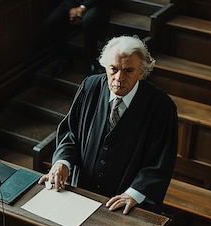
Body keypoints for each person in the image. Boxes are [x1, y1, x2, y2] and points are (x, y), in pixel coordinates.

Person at [39, 35, 178, 215]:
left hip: (125, 203)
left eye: (128, 71)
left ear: (141, 72)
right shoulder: (90, 87)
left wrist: (134, 194)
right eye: (113, 69)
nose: (118, 78)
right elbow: (71, 133)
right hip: (81, 191)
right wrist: (62, 162)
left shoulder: (161, 107)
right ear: (105, 66)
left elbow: (161, 161)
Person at [45, 0, 115, 76]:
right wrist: (72, 8)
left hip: (95, 3)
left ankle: (93, 61)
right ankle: (65, 59)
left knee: (88, 21)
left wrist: (82, 8)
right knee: (52, 22)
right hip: (73, 2)